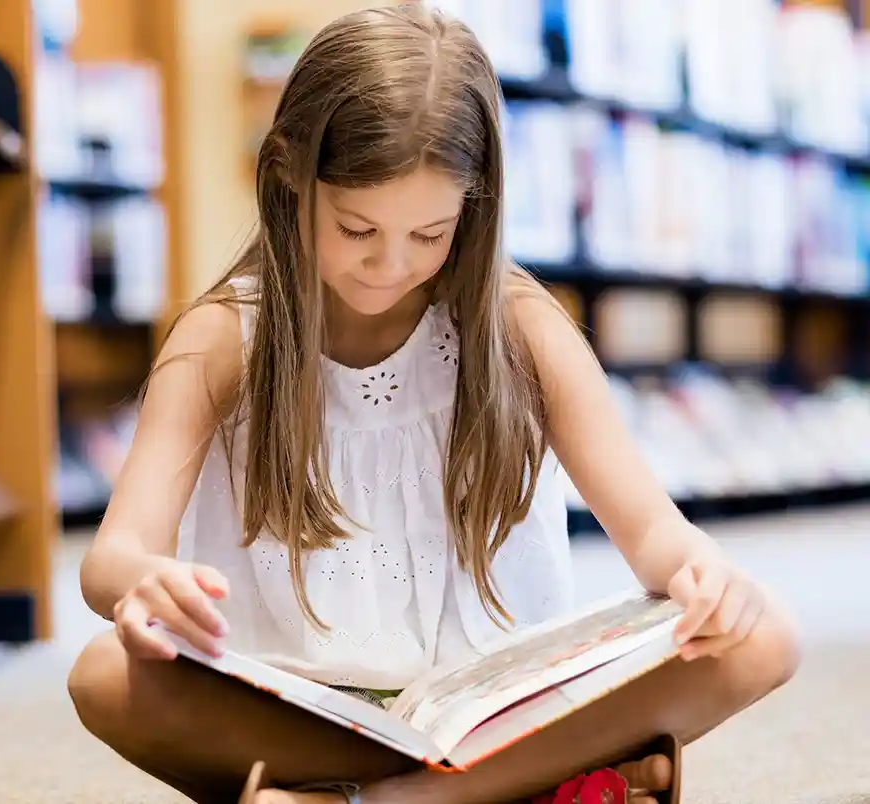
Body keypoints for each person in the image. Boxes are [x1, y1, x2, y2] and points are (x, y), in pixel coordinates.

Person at [67, 4, 801, 803]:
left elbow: (653, 530)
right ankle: (521, 788)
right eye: (357, 228)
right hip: (303, 701)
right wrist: (142, 583)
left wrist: (700, 573)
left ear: (474, 209)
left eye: (429, 234)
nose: (389, 264)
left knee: (761, 635)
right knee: (105, 674)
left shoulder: (521, 326)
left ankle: (386, 799)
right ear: (287, 177)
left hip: (498, 708)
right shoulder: (222, 337)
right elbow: (114, 555)